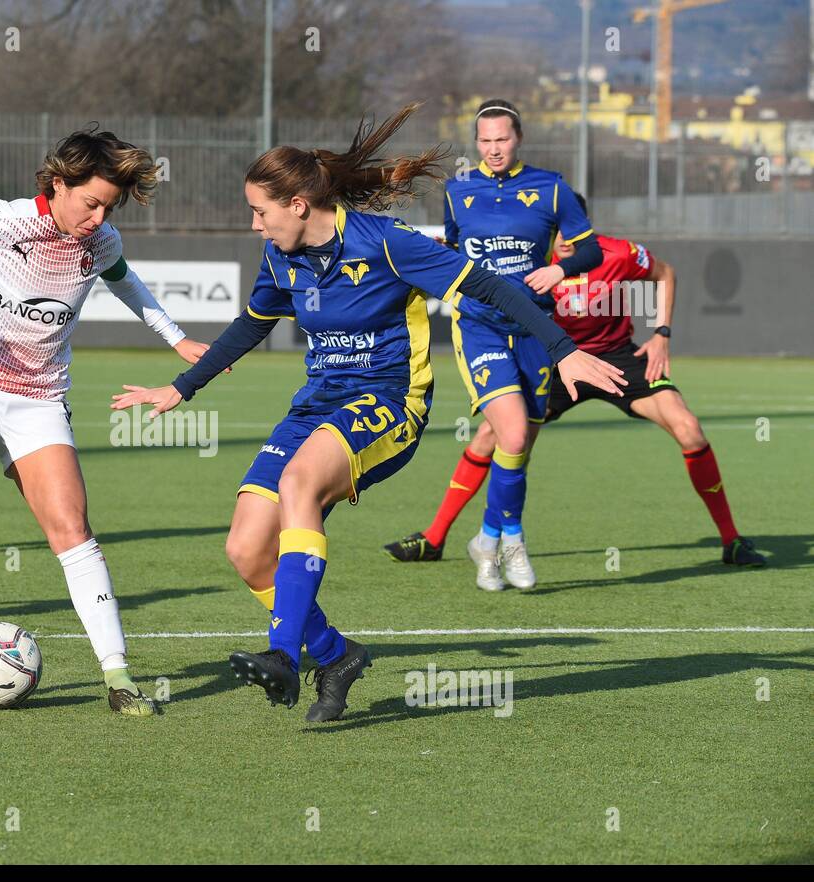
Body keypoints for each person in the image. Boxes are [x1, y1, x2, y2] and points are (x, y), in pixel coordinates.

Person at [110, 106, 626, 721]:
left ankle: (283, 653)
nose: (254, 224)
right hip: (316, 406)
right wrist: (181, 388)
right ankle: (334, 655)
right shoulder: (282, 257)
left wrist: (564, 351)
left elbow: (490, 287)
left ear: (299, 204)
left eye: (260, 211)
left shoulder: (386, 242)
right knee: (246, 550)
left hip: (389, 401)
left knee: (301, 482)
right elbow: (250, 325)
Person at [0, 128, 213, 716]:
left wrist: (175, 336)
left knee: (72, 529)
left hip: (39, 401)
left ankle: (118, 679)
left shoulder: (101, 242)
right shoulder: (1, 220)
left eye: (108, 207)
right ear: (58, 184)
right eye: (90, 202)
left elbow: (126, 282)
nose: (98, 217)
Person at [384, 194, 767, 567]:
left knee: (690, 429)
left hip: (616, 359)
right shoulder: (529, 259)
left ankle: (732, 540)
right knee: (493, 436)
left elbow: (665, 273)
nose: (565, 240)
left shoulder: (618, 254)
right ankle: (433, 539)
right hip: (554, 360)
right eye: (557, 230)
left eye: (572, 231)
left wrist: (662, 333)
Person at [431, 99, 603, 591]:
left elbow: (591, 247)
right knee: (510, 434)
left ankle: (486, 538)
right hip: (480, 325)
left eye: (501, 139)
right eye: (484, 141)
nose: (493, 148)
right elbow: (452, 249)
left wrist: (561, 267)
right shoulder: (458, 191)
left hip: (537, 330)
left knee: (519, 445)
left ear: (518, 138)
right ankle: (512, 539)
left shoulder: (552, 189)